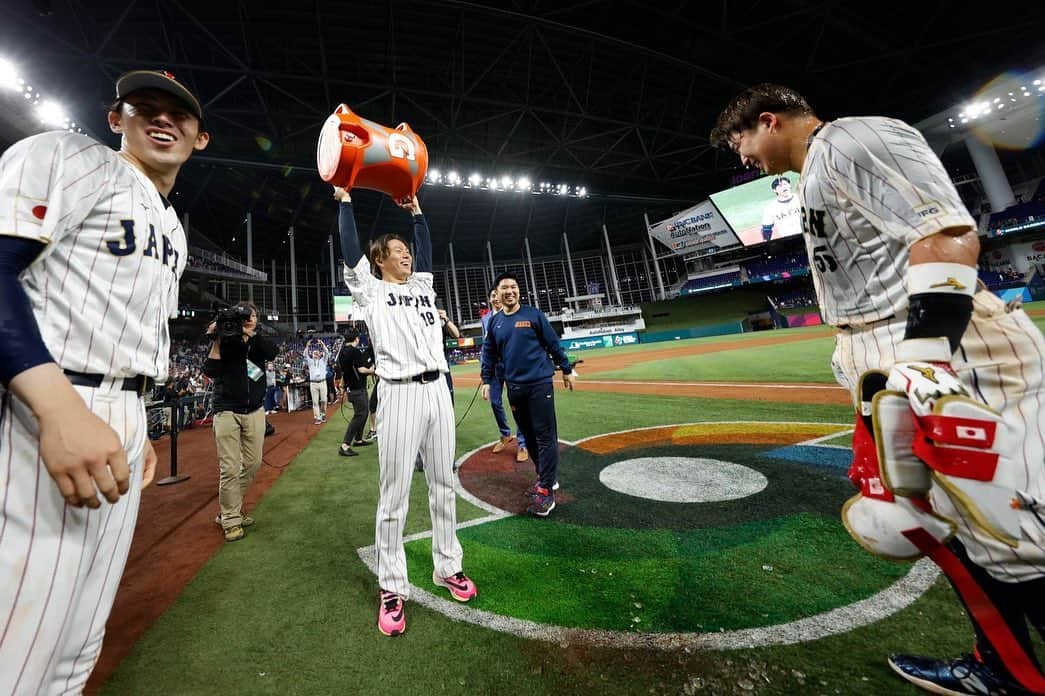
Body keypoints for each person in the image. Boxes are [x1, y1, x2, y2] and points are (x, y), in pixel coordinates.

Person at [711, 83, 1045, 696]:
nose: (743, 160)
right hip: (889, 351)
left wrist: (924, 358)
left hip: (937, 349)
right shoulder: (817, 170)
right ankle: (1003, 668)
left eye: (742, 143)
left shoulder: (852, 137)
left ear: (769, 120)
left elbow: (945, 232)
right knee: (956, 530)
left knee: (1015, 536)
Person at [0, 68, 208, 694]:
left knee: (75, 645)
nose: (162, 118)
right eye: (143, 106)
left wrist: (134, 415)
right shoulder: (70, 155)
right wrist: (58, 407)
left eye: (178, 112)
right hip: (47, 408)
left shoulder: (172, 227)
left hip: (119, 411)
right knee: (19, 644)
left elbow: (130, 328)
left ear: (201, 138)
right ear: (115, 119)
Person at [334, 185, 477, 637]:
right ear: (379, 259)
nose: (407, 256)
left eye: (407, 251)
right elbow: (350, 247)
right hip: (398, 394)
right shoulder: (369, 290)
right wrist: (343, 200)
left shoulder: (422, 285)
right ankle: (392, 586)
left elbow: (429, 250)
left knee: (443, 485)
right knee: (394, 495)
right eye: (397, 252)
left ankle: (446, 566)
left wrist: (417, 213)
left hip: (438, 391)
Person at [481, 272, 577, 517]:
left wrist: (566, 369)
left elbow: (552, 343)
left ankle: (546, 490)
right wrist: (485, 380)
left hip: (539, 384)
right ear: (498, 293)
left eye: (513, 287)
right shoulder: (495, 322)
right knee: (530, 437)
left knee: (545, 436)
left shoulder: (533, 315)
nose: (509, 291)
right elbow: (489, 353)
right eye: (505, 288)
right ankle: (545, 478)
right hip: (515, 388)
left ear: (518, 291)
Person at [204, 302, 279, 542]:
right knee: (229, 468)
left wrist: (248, 333)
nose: (247, 319)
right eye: (243, 316)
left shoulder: (257, 342)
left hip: (254, 410)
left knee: (253, 463)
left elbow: (272, 351)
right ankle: (231, 520)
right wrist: (217, 338)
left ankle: (229, 510)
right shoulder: (225, 339)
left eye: (252, 316)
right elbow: (211, 370)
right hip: (226, 410)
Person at [481, 287, 528, 462]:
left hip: (512, 365)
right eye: (492, 296)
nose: (495, 298)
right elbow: (486, 347)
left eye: (497, 295)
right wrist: (484, 370)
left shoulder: (512, 315)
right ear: (490, 299)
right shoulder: (485, 319)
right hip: (494, 368)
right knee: (495, 402)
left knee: (518, 403)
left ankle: (523, 443)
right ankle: (505, 434)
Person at [336, 328, 374, 457]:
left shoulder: (342, 352)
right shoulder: (355, 351)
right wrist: (375, 371)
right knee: (359, 415)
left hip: (351, 388)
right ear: (356, 338)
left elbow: (345, 372)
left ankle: (358, 439)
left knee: (363, 413)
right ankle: (345, 445)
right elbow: (362, 370)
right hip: (358, 388)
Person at [759, 175, 802, 242]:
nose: (783, 187)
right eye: (779, 186)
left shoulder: (801, 197)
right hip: (789, 241)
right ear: (774, 190)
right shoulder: (770, 208)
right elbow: (766, 230)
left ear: (789, 186)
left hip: (809, 236)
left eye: (785, 184)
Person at [304, 337, 330, 425]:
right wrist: (307, 346)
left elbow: (327, 352)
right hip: (313, 384)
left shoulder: (323, 361)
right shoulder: (310, 362)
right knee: (315, 402)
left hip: (322, 382)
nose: (315, 354)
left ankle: (323, 415)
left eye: (317, 353)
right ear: (312, 355)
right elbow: (305, 355)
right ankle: (318, 417)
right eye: (314, 353)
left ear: (319, 354)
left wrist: (322, 344)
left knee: (324, 400)